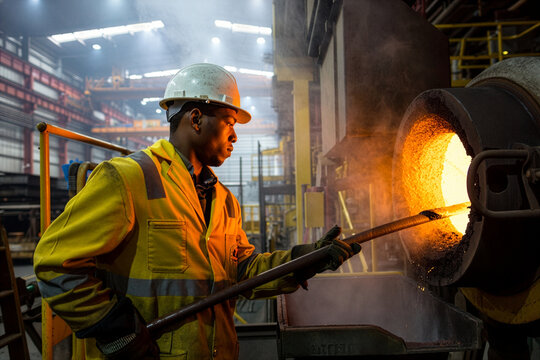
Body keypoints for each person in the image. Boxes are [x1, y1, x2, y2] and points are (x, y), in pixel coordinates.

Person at [33, 63, 361, 359]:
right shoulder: (129, 178)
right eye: (229, 122)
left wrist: (302, 261)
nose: (234, 135)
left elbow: (242, 273)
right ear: (195, 119)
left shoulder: (223, 199)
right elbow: (55, 264)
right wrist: (118, 331)